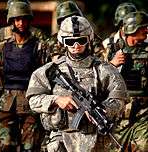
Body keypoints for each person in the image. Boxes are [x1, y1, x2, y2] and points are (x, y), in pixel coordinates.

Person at [26, 15, 128, 152]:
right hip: (60, 139)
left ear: (89, 39)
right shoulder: (49, 70)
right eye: (70, 41)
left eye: (81, 40)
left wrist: (103, 110)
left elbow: (120, 99)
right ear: (62, 41)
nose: (76, 46)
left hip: (95, 139)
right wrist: (56, 100)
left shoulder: (104, 69)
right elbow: (33, 99)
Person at [0, 1, 45, 151]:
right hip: (6, 104)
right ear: (11, 21)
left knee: (30, 147)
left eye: (24, 19)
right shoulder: (3, 46)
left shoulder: (39, 46)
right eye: (17, 19)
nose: (21, 23)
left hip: (30, 103)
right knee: (4, 146)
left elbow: (44, 80)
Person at [105, 11, 148, 151]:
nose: (147, 30)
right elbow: (98, 81)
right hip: (117, 118)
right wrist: (112, 64)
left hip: (142, 116)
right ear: (132, 29)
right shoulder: (112, 51)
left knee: (144, 146)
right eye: (143, 27)